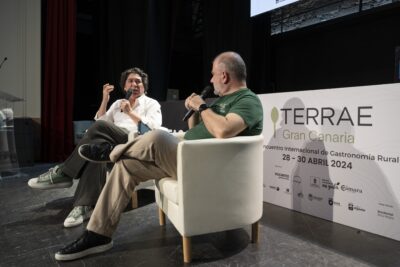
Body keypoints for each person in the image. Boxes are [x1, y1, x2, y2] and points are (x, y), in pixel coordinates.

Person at [54, 51, 264, 261]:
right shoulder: (220, 102)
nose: (210, 79)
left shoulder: (248, 100)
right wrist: (195, 112)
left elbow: (223, 130)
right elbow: (196, 131)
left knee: (157, 137)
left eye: (213, 74)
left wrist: (202, 105)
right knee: (126, 166)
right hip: (187, 158)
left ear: (224, 76)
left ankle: (111, 152)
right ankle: (98, 234)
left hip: (205, 167)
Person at [28, 67, 162, 228]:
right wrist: (105, 99)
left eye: (138, 81)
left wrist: (130, 112)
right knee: (96, 151)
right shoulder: (118, 103)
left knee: (99, 129)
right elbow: (101, 120)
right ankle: (82, 206)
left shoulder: (151, 103)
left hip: (135, 142)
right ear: (125, 87)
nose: (134, 84)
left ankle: (65, 172)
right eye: (130, 81)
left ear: (144, 86)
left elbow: (152, 130)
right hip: (112, 144)